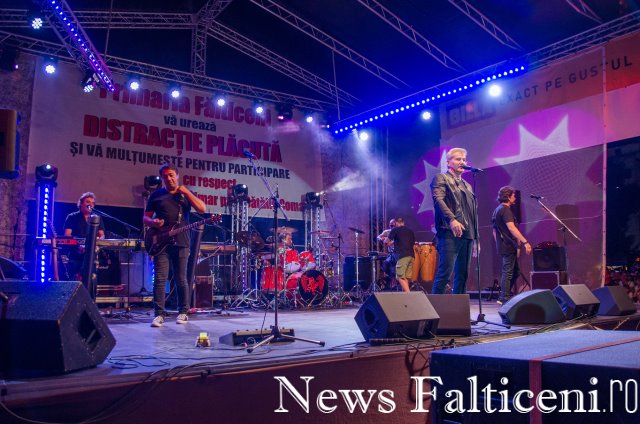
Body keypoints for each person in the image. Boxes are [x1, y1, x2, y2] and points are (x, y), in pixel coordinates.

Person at [143, 163, 206, 327]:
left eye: (171, 175)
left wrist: (186, 192)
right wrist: (153, 222)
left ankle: (183, 312)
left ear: (177, 175)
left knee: (181, 278)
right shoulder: (156, 195)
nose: (169, 178)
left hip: (181, 241)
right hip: (160, 241)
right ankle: (159, 314)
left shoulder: (185, 194)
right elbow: (145, 217)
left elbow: (202, 209)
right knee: (160, 279)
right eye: (165, 176)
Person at [431, 147, 478, 294]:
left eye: (464, 159)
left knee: (463, 275)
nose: (462, 162)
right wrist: (452, 219)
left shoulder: (467, 185)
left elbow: (472, 212)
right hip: (449, 232)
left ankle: (459, 307)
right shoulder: (441, 178)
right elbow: (439, 200)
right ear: (448, 162)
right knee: (445, 272)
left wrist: (475, 238)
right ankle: (435, 307)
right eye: (458, 159)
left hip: (467, 233)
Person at [492, 186, 532, 303]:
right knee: (508, 272)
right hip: (508, 245)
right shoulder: (505, 210)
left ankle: (504, 294)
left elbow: (494, 231)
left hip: (505, 245)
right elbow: (511, 228)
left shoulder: (497, 210)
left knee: (515, 272)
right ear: (508, 197)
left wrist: (499, 244)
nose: (515, 198)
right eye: (513, 196)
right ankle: (504, 298)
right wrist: (525, 242)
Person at [62, 192, 105, 281]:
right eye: (88, 202)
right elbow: (67, 235)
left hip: (91, 255)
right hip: (75, 255)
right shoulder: (72, 217)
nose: (90, 205)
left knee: (91, 281)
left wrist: (96, 246)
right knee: (74, 282)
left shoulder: (97, 218)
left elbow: (102, 235)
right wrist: (78, 246)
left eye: (92, 203)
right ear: (81, 203)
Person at [385, 217, 415, 292]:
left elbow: (386, 242)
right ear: (403, 222)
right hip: (411, 256)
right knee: (405, 278)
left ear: (395, 223)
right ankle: (406, 296)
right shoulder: (410, 231)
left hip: (402, 256)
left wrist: (386, 241)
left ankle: (409, 295)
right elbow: (412, 243)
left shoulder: (395, 229)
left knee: (399, 277)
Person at [377, 219, 397, 286]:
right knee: (385, 265)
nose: (392, 226)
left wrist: (392, 242)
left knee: (393, 267)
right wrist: (382, 239)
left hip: (399, 252)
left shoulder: (399, 232)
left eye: (393, 225)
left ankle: (394, 282)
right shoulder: (387, 232)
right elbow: (378, 237)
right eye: (391, 225)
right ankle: (384, 282)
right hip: (391, 253)